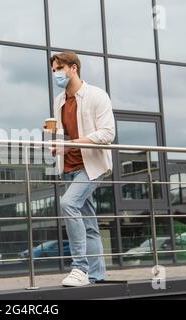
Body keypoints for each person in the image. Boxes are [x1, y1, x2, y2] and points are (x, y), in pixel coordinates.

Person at [49, 52, 115, 287]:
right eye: (53, 69)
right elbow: (64, 135)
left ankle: (80, 268)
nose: (55, 73)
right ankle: (97, 275)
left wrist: (73, 144)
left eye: (59, 68)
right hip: (68, 166)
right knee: (88, 222)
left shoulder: (96, 95)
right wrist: (57, 144)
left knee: (68, 203)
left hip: (92, 165)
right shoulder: (59, 101)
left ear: (73, 68)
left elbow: (108, 133)